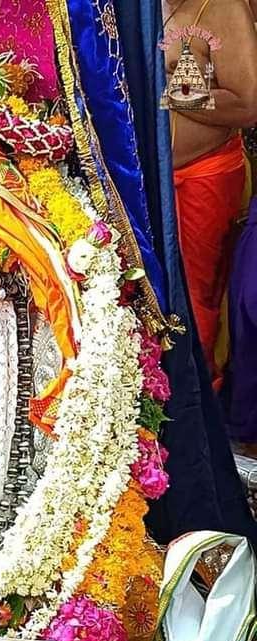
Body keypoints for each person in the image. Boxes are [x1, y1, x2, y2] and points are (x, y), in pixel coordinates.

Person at [163, 0, 257, 388]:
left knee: (193, 298)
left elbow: (249, 103)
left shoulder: (223, 6)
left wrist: (176, 95)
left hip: (205, 176)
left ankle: (194, 400)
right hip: (145, 178)